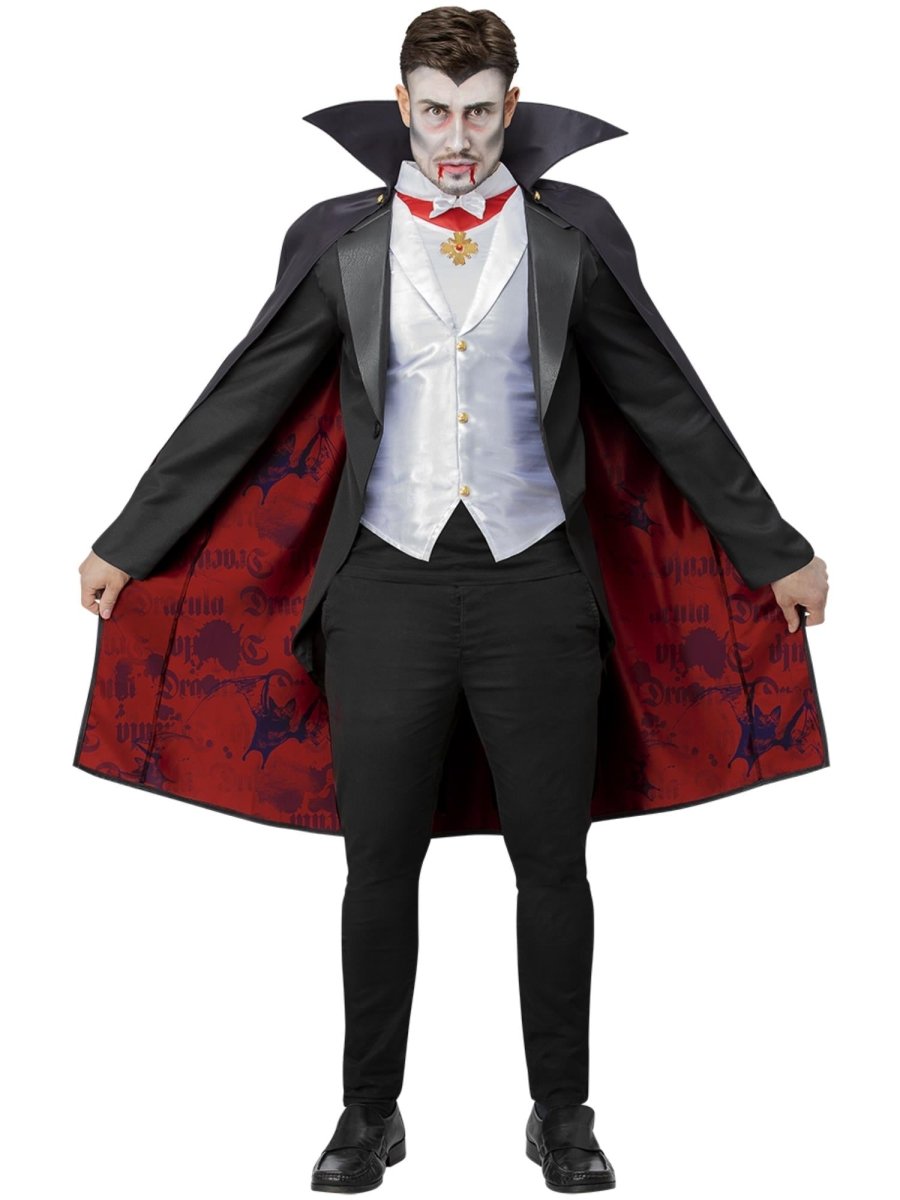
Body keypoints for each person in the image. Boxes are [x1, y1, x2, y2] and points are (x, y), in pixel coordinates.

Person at [77, 7, 829, 1194]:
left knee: (554, 870)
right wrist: (132, 540)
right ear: (403, 106)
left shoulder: (571, 236)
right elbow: (246, 397)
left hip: (541, 589)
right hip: (384, 590)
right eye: (435, 111)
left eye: (479, 112)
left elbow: (666, 401)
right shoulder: (344, 241)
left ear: (511, 109)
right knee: (378, 867)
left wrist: (773, 548)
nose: (458, 137)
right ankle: (368, 1113)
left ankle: (562, 1115)